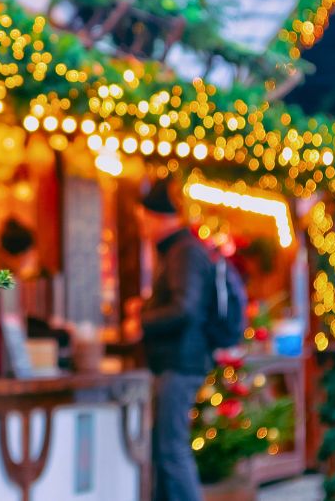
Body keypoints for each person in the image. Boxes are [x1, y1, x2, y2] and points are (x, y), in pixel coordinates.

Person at [138, 177, 214, 501]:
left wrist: (141, 321)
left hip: (180, 363)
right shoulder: (179, 251)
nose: (141, 227)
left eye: (143, 219)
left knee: (171, 449)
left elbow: (184, 309)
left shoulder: (184, 253)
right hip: (177, 362)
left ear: (158, 218)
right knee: (167, 448)